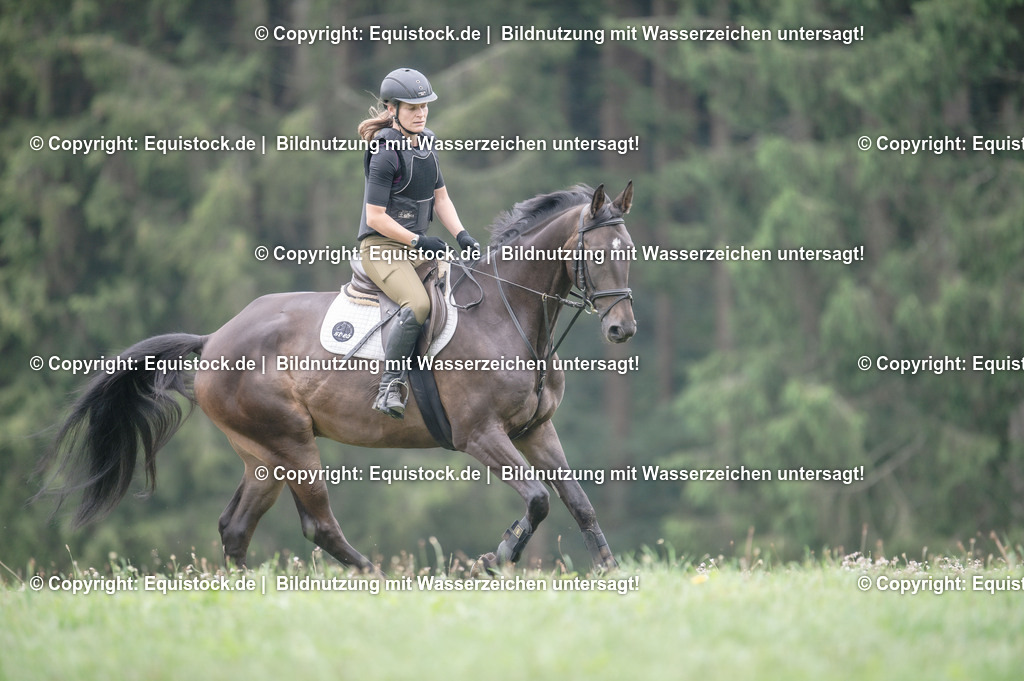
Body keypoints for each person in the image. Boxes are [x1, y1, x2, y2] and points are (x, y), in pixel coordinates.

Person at [356, 67, 480, 419]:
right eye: (412, 107)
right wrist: (419, 240)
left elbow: (441, 198)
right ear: (392, 109)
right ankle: (389, 386)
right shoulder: (385, 153)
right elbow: (376, 216)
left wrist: (462, 235)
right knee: (419, 304)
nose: (421, 113)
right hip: (382, 248)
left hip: (414, 246)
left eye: (424, 105)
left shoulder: (427, 143)